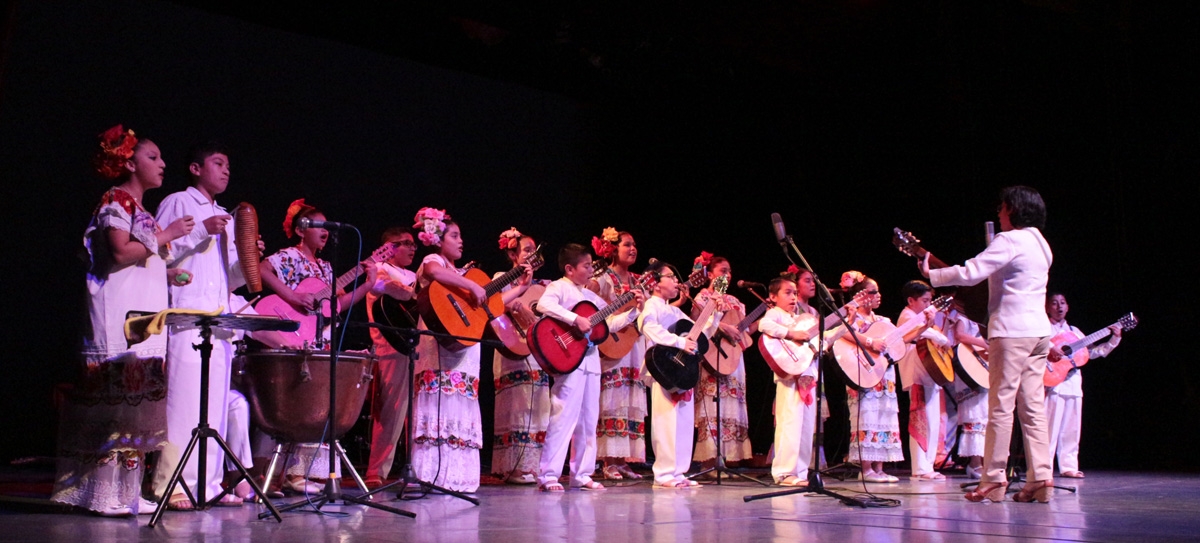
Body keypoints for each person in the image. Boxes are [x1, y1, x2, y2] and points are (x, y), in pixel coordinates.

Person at [52, 126, 195, 516]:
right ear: (129, 162)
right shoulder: (116, 199)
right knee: (112, 407)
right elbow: (117, 252)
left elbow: (137, 257)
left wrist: (167, 274)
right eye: (153, 157)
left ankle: (127, 492)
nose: (163, 164)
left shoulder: (142, 210)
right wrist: (165, 234)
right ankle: (101, 493)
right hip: (118, 316)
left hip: (142, 319)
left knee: (133, 411)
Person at [923, 185, 1056, 503]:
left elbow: (972, 272)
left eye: (1002, 207)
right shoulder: (1042, 243)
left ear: (1013, 209)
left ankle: (994, 479)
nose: (999, 213)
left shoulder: (1009, 239)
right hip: (1039, 332)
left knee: (1000, 407)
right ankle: (1041, 479)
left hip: (1011, 332)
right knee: (1033, 408)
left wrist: (934, 274)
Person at [152, 141, 257, 509]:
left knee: (212, 410)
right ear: (196, 169)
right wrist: (200, 231)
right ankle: (174, 484)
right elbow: (156, 253)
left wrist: (249, 259)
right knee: (184, 405)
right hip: (185, 320)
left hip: (218, 320)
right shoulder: (179, 202)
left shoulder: (223, 215)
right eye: (217, 163)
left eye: (228, 164)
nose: (225, 170)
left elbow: (229, 278)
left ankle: (209, 484)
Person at [253, 199, 377, 494]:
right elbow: (262, 269)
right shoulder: (289, 256)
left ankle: (299, 473)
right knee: (280, 399)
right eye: (318, 226)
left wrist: (367, 285)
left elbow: (336, 306)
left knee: (312, 401)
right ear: (300, 229)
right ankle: (264, 475)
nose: (325, 232)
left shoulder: (326, 267)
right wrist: (294, 298)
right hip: (287, 333)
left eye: (326, 227)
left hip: (317, 337)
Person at [410, 208, 529, 492]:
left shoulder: (465, 276)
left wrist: (522, 288)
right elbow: (433, 272)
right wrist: (470, 286)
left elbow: (491, 304)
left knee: (460, 405)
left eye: (461, 236)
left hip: (465, 346)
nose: (461, 241)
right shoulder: (434, 259)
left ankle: (455, 477)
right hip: (438, 343)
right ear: (438, 240)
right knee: (438, 404)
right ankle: (430, 476)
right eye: (454, 235)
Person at [533, 243, 644, 491]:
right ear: (570, 268)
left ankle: (582, 474)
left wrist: (634, 311)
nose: (590, 269)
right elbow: (543, 306)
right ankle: (549, 475)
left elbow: (610, 324)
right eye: (586, 266)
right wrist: (575, 318)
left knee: (588, 420)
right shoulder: (558, 287)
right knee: (563, 417)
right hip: (569, 360)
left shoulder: (592, 297)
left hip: (591, 362)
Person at [639, 260, 719, 488]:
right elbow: (648, 327)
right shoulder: (651, 306)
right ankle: (664, 474)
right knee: (665, 422)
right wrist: (678, 341)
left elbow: (699, 335)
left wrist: (716, 315)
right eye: (670, 277)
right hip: (663, 368)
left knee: (683, 422)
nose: (676, 281)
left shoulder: (674, 310)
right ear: (655, 283)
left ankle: (678, 472)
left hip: (681, 369)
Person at [490, 229, 552, 484]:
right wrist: (514, 304)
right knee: (517, 404)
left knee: (539, 406)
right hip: (512, 345)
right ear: (512, 254)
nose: (532, 254)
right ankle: (514, 467)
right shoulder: (501, 278)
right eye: (527, 250)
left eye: (534, 250)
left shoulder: (542, 288)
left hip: (537, 350)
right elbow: (493, 302)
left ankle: (534, 466)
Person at [587, 228, 648, 480]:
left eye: (634, 245)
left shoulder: (638, 281)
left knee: (630, 397)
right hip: (612, 342)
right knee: (612, 398)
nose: (632, 249)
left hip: (633, 344)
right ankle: (607, 460)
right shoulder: (605, 278)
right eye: (627, 245)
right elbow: (587, 301)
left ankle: (623, 459)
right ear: (613, 249)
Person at [362, 226, 418, 489]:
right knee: (391, 410)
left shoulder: (413, 274)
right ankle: (377, 470)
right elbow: (395, 290)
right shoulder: (380, 269)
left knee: (419, 412)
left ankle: (418, 467)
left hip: (416, 343)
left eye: (414, 244)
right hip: (390, 345)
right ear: (390, 247)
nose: (412, 248)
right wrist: (418, 290)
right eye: (405, 243)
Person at [1044, 292, 1121, 479]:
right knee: (1049, 429)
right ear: (1047, 307)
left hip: (1073, 384)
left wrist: (1114, 339)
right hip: (1052, 382)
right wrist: (1049, 347)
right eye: (1054, 303)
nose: (1059, 306)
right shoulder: (1043, 328)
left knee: (1072, 428)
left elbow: (1090, 353)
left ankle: (1068, 466)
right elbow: (1034, 344)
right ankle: (1043, 468)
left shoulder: (1075, 332)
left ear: (1068, 306)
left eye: (1062, 302)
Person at [689, 255, 754, 474]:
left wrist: (757, 324)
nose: (727, 275)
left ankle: (725, 459)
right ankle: (709, 459)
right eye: (722, 271)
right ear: (710, 273)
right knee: (712, 402)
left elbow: (742, 333)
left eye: (729, 272)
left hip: (732, 356)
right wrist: (722, 327)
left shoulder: (735, 301)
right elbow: (698, 324)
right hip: (711, 354)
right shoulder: (702, 296)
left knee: (730, 405)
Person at [757, 272, 820, 486]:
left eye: (795, 293)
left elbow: (815, 344)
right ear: (773, 297)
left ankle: (800, 472)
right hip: (790, 377)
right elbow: (763, 326)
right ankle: (784, 472)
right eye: (788, 293)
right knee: (790, 423)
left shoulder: (800, 319)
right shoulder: (775, 314)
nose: (793, 297)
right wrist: (792, 335)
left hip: (807, 375)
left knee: (806, 426)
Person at [841, 272, 905, 482]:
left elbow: (900, 341)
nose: (879, 295)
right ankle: (866, 469)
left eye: (878, 292)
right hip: (863, 374)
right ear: (861, 295)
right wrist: (870, 342)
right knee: (866, 416)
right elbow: (843, 333)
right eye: (873, 292)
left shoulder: (883, 321)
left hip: (884, 375)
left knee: (885, 416)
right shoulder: (851, 318)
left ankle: (879, 467)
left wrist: (922, 326)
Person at [895, 280, 951, 481]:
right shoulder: (907, 316)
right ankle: (920, 467)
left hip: (928, 372)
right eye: (925, 300)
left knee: (933, 420)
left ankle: (928, 465)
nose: (928, 304)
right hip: (917, 372)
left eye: (930, 300)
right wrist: (942, 339)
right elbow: (921, 332)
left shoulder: (922, 316)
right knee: (921, 418)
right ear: (911, 300)